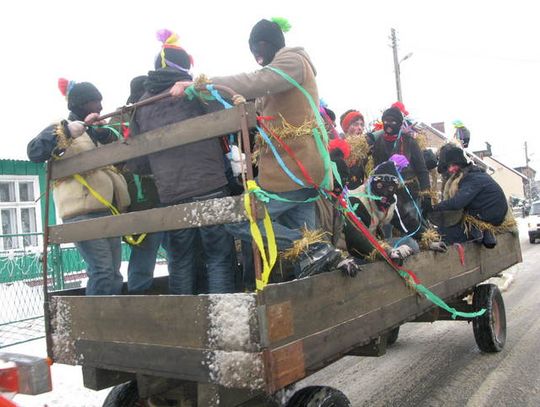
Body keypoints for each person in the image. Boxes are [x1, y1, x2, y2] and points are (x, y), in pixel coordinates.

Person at [170, 18, 359, 280]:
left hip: (293, 170)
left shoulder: (292, 61)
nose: (257, 54)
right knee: (305, 251)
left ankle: (315, 249)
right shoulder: (279, 72)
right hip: (297, 170)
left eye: (260, 46)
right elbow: (254, 92)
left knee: (237, 219)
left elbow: (254, 81)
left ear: (271, 44)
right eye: (253, 48)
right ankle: (312, 280)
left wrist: (202, 83)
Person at [129, 29, 235, 295]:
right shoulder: (195, 91)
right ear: (185, 66)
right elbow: (227, 119)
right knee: (218, 257)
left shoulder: (143, 103)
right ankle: (223, 322)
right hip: (209, 186)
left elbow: (138, 161)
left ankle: (184, 323)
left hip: (172, 194)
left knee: (180, 260)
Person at [27, 79, 130, 295]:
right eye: (95, 102)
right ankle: (95, 323)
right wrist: (65, 131)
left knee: (114, 272)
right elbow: (34, 151)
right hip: (82, 213)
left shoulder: (95, 130)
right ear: (81, 105)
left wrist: (103, 134)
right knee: (102, 270)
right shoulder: (62, 127)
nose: (100, 107)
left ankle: (113, 321)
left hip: (107, 210)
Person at [344, 160, 446, 261]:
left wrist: (428, 240)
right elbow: (357, 238)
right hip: (354, 249)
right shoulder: (357, 201)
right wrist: (388, 251)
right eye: (380, 186)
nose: (384, 192)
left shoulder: (391, 200)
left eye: (390, 188)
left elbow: (406, 221)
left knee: (411, 245)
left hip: (375, 244)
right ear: (372, 183)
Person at [428, 145, 510, 247]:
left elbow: (457, 203)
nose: (450, 169)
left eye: (453, 165)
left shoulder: (472, 178)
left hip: (490, 216)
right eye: (449, 167)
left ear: (461, 164)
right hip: (486, 214)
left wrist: (434, 208)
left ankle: (478, 231)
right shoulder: (472, 174)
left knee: (446, 232)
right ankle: (479, 232)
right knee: (450, 224)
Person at [371, 106, 431, 235]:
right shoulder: (378, 143)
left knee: (413, 228)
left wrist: (426, 194)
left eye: (393, 121)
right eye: (386, 121)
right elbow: (376, 170)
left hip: (409, 193)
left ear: (399, 123)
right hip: (388, 196)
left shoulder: (409, 142)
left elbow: (422, 170)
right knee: (387, 231)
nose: (389, 124)